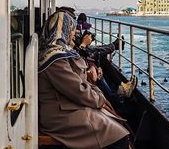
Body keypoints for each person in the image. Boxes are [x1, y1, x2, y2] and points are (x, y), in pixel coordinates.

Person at [38, 11, 130, 149]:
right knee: (119, 137)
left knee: (113, 122)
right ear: (63, 29)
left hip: (66, 106)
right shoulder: (54, 59)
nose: (74, 33)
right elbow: (78, 90)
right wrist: (100, 98)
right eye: (71, 28)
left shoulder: (54, 52)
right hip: (61, 116)